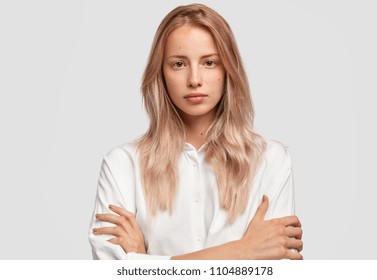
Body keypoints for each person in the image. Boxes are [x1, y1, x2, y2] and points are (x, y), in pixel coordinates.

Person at [88, 3, 303, 260]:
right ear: (161, 73)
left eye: (209, 62)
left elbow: (276, 270)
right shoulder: (122, 164)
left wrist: (141, 261)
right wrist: (242, 251)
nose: (194, 79)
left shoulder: (269, 160)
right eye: (178, 64)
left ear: (228, 70)